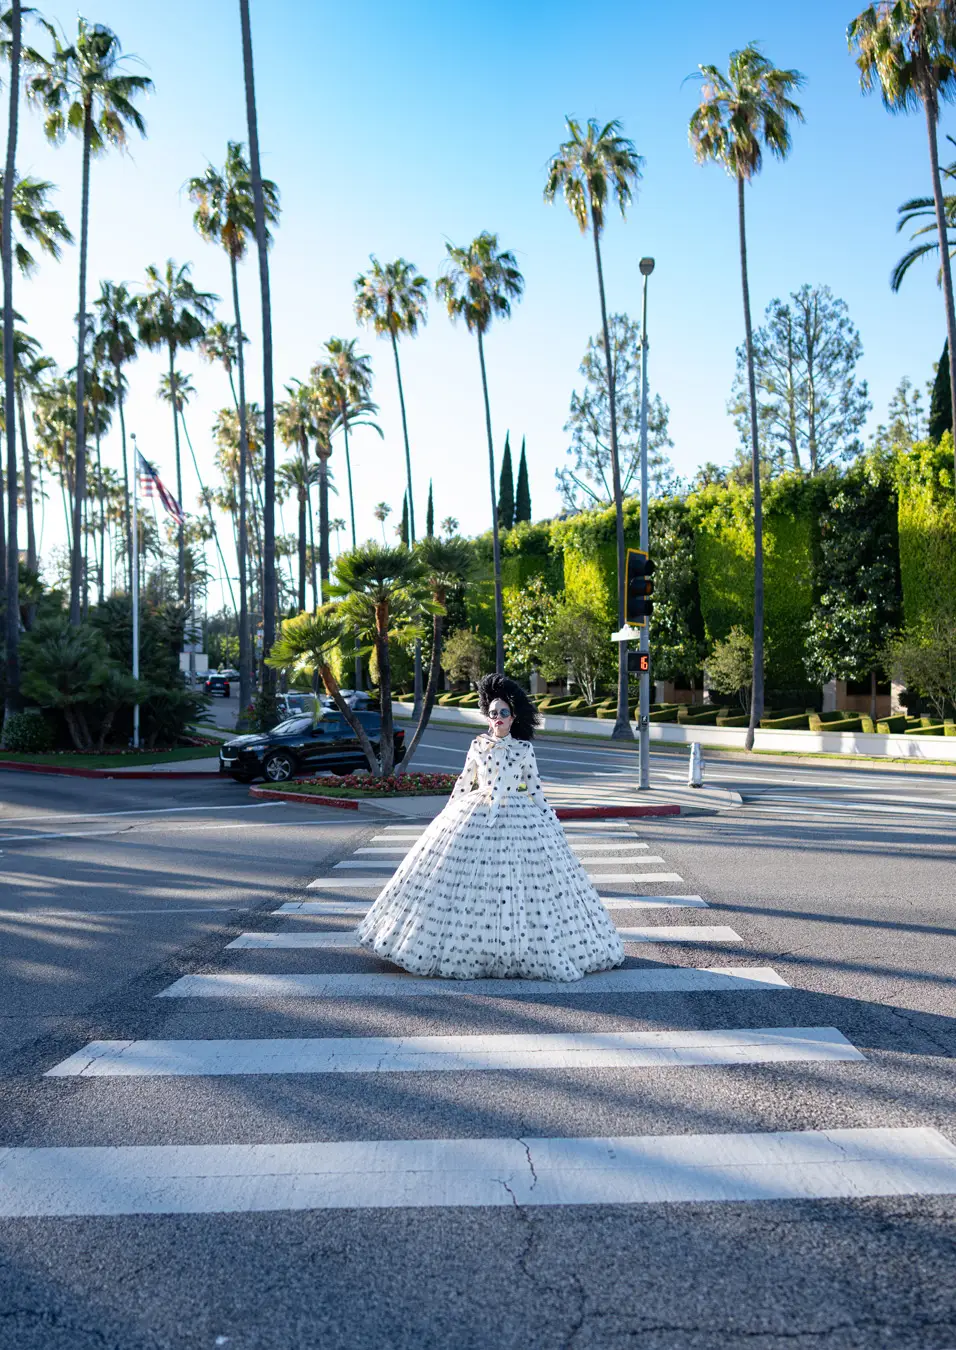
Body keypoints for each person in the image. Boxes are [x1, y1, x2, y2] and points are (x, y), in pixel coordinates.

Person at [356, 673, 625, 981]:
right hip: (477, 811)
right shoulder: (477, 745)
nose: (498, 717)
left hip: (518, 816)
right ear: (487, 716)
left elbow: (535, 790)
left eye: (504, 712)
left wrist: (550, 818)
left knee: (522, 885)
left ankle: (521, 948)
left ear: (513, 718)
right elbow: (464, 782)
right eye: (493, 712)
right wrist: (447, 814)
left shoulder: (524, 750)